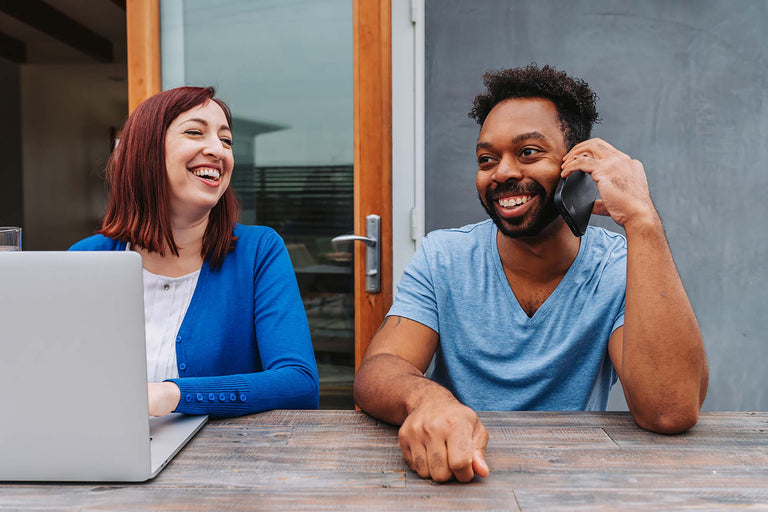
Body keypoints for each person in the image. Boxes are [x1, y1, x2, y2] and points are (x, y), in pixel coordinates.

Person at [353, 64, 709, 482]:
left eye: (528, 153)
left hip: (575, 480)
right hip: (457, 477)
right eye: (487, 159)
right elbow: (379, 369)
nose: (501, 173)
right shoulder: (443, 256)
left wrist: (641, 220)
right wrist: (426, 399)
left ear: (576, 170)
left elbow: (669, 410)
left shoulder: (616, 268)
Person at [70, 87, 319, 418]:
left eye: (226, 140)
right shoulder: (87, 259)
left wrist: (175, 394)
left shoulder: (258, 252)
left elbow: (299, 384)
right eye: (194, 132)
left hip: (221, 463)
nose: (218, 150)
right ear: (145, 151)